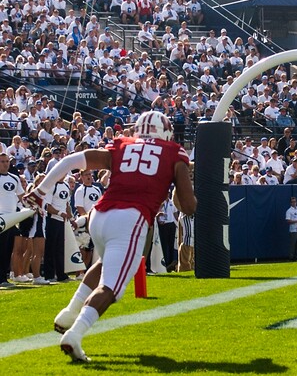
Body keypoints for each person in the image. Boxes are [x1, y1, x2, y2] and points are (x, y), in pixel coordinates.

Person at [23, 111, 196, 362]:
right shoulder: (174, 152)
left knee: (104, 264)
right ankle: (75, 334)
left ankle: (69, 312)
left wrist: (41, 191)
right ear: (167, 132)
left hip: (100, 216)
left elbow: (71, 160)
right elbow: (188, 207)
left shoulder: (123, 144)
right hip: (131, 219)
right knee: (112, 288)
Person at [0, 153, 23, 288]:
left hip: (12, 218)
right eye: (2, 161)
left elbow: (22, 196)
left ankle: (3, 277)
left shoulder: (15, 178)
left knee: (8, 248)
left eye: (7, 161)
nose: (5, 164)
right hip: (1, 218)